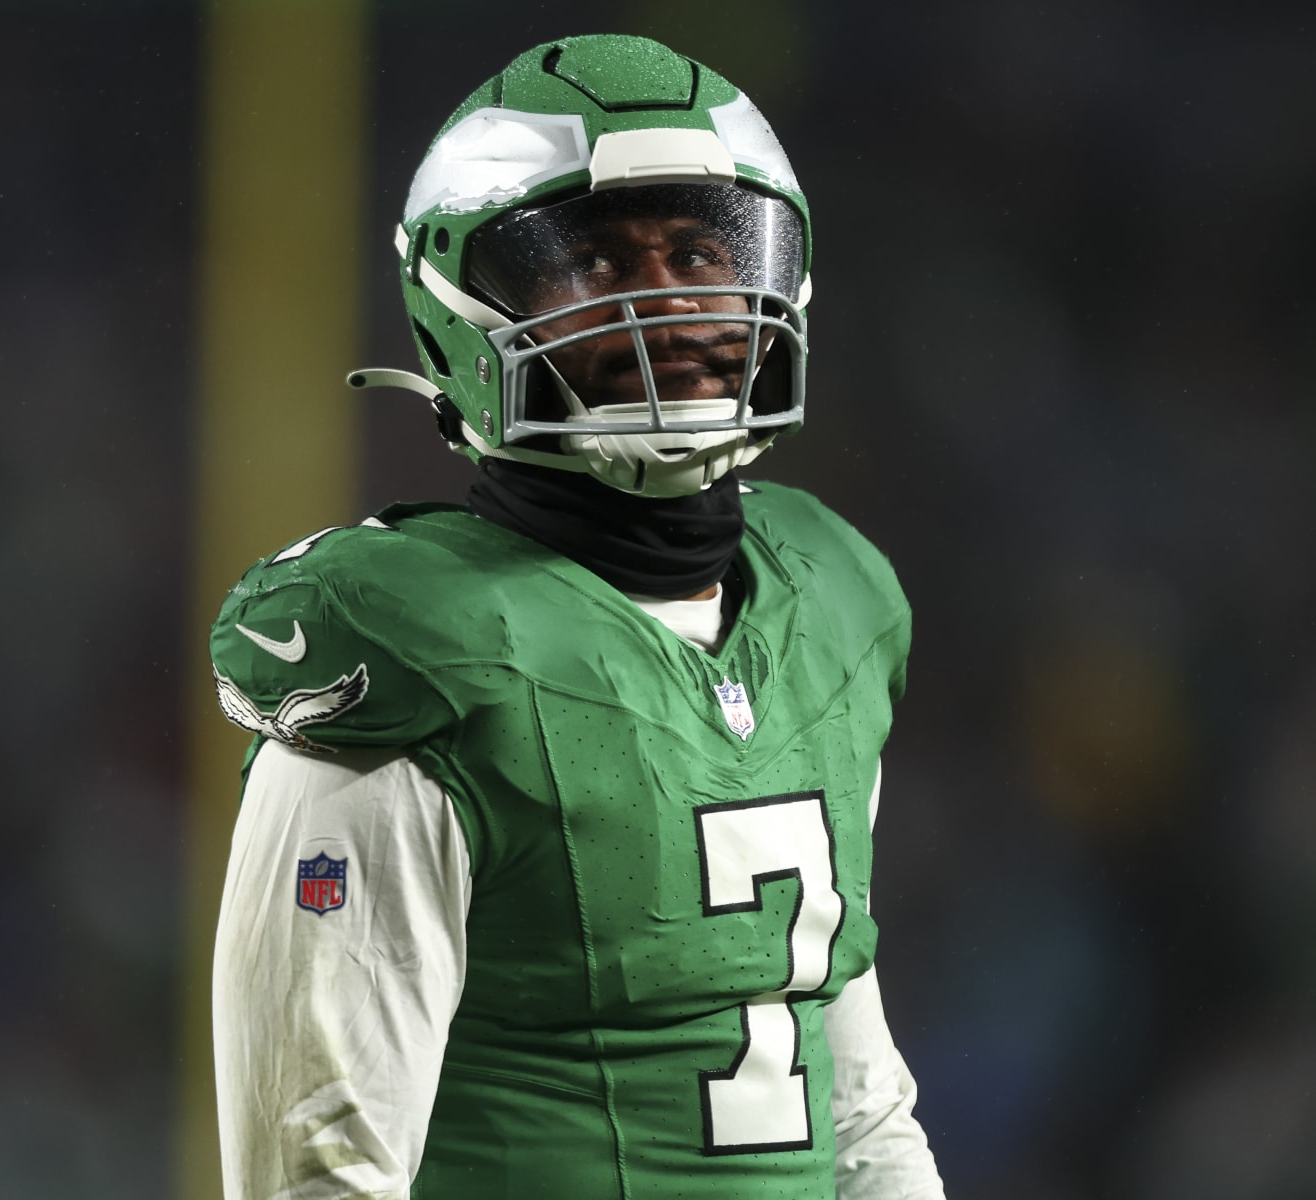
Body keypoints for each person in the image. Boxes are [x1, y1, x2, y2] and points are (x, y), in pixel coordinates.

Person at [208, 34, 946, 1199]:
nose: (667, 303)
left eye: (702, 251)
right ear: (465, 306)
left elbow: (850, 1095)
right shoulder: (407, 658)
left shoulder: (831, 605)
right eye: (596, 265)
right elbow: (321, 1171)